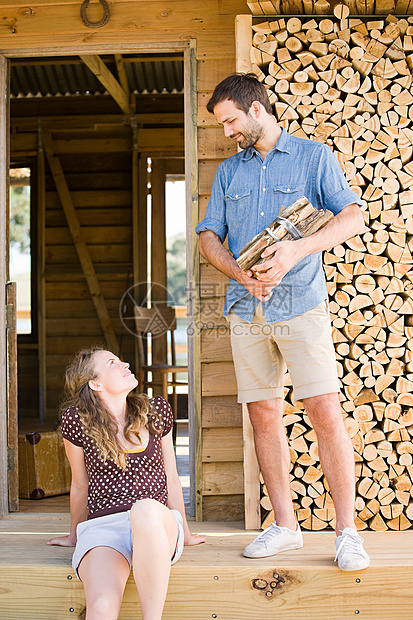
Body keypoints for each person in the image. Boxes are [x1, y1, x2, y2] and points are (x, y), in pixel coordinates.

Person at [195, 73, 370, 571]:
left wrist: (295, 250)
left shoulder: (315, 158)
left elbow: (354, 216)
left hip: (302, 305)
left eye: (230, 121)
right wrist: (239, 273)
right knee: (263, 415)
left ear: (256, 110)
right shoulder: (229, 173)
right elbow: (209, 236)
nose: (226, 132)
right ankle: (285, 527)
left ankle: (347, 533)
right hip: (245, 309)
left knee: (324, 410)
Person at [48, 346, 205, 620]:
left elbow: (171, 476)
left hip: (155, 523)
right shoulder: (76, 422)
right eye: (112, 363)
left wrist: (186, 533)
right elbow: (80, 484)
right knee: (102, 607)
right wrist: (75, 534)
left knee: (144, 509)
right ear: (95, 383)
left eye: (120, 359)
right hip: (104, 527)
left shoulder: (155, 411)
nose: (124, 364)